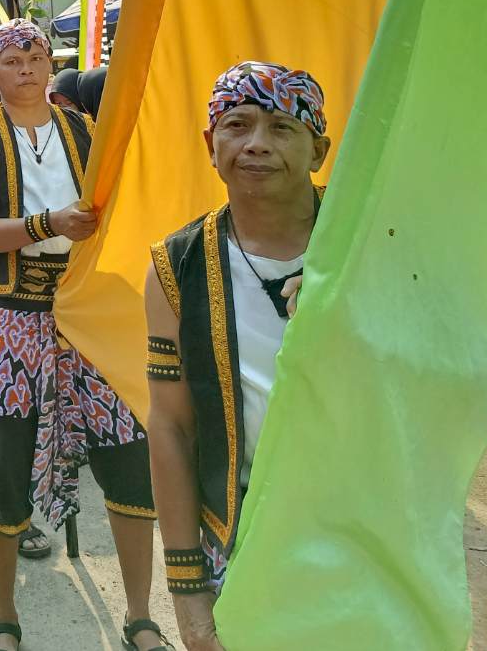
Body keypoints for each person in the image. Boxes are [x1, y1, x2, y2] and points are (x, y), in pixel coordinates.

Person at [0, 20, 166, 651]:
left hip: (88, 310)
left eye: (36, 56)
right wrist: (51, 222)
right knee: (1, 460)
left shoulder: (83, 130)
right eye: (12, 59)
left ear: (51, 63)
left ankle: (140, 614)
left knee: (127, 451)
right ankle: (3, 615)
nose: (26, 68)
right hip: (11, 319)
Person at [146, 63, 326, 650]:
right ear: (210, 145)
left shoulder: (370, 241)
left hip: (361, 527)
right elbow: (171, 426)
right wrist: (190, 603)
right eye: (237, 125)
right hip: (240, 534)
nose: (255, 144)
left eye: (281, 128)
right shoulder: (177, 265)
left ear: (318, 150)